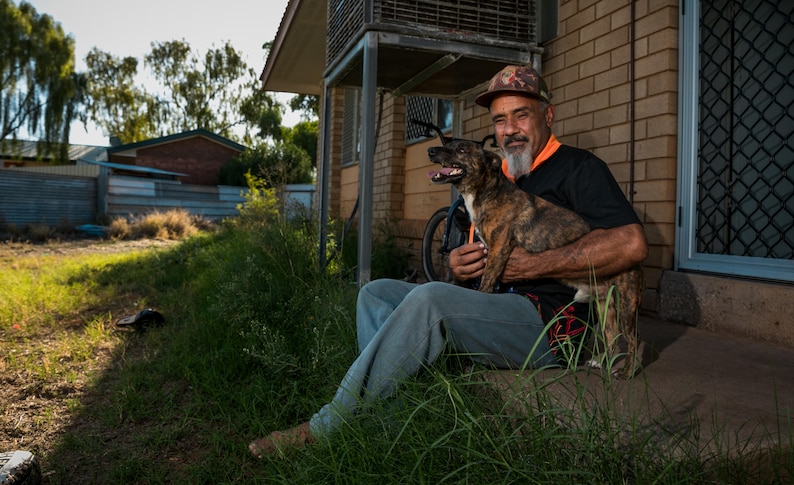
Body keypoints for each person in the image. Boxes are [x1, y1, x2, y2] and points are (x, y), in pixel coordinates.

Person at [248, 64, 648, 459]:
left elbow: (631, 244)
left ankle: (328, 424)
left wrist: (534, 266)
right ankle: (392, 422)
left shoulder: (580, 168)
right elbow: (469, 259)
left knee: (430, 302)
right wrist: (455, 267)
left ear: (548, 114)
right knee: (375, 294)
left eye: (521, 115)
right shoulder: (494, 173)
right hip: (490, 306)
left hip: (547, 323)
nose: (509, 129)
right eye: (500, 120)